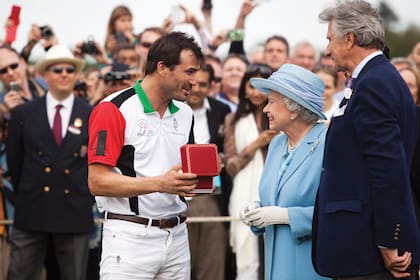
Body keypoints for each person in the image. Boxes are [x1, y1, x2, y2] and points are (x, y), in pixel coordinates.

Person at [312, 1, 420, 279]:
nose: (327, 50)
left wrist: (389, 240)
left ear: (349, 39)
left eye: (329, 39)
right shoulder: (374, 79)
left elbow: (388, 169)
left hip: (368, 252)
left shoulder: (375, 83)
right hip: (361, 248)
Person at [87, 32, 204, 279]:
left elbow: (180, 175)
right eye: (189, 71)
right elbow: (97, 182)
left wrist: (194, 181)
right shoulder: (113, 109)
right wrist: (160, 184)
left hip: (178, 236)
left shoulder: (186, 113)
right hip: (128, 238)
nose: (195, 80)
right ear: (162, 67)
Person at [6, 44, 93, 280]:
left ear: (76, 75)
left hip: (73, 211)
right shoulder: (24, 113)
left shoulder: (90, 114)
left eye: (69, 69)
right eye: (57, 70)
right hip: (32, 209)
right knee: (19, 274)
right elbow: (15, 164)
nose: (64, 74)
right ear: (46, 75)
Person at [239, 63, 329, 280]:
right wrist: (257, 211)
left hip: (311, 266)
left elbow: (336, 212)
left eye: (271, 102)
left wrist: (287, 216)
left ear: (294, 108)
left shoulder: (329, 142)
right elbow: (276, 199)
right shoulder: (278, 143)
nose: (265, 109)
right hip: (275, 266)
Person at [223, 63, 276, 280]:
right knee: (247, 258)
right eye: (251, 86)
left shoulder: (279, 117)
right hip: (243, 192)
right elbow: (231, 166)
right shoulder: (233, 121)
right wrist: (257, 144)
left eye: (261, 87)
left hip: (274, 191)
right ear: (244, 88)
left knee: (275, 253)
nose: (256, 93)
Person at [184, 64, 231, 280]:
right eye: (192, 84)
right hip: (178, 195)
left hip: (214, 196)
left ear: (211, 86)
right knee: (181, 265)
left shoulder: (222, 111)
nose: (196, 89)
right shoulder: (170, 109)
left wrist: (221, 159)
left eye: (202, 84)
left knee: (212, 264)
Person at [0, 46, 47, 119]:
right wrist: (10, 114)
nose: (10, 73)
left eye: (14, 66)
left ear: (23, 63)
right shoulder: (2, 105)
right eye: (3, 71)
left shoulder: (44, 84)